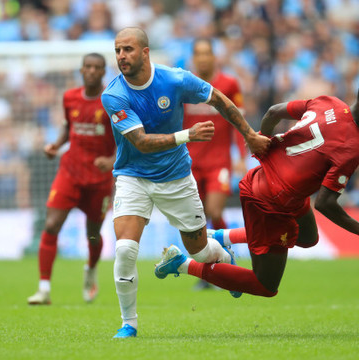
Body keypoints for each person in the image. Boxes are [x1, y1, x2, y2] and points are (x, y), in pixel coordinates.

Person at [155, 73, 359, 300]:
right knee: (265, 285)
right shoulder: (352, 147)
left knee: (307, 237)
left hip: (274, 183)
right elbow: (325, 203)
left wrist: (261, 140)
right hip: (270, 201)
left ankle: (220, 237)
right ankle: (181, 264)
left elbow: (272, 112)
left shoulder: (328, 102)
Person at [101, 27, 270, 339]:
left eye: (128, 50)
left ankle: (222, 254)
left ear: (145, 52)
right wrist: (187, 135)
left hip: (176, 177)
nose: (122, 56)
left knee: (201, 250)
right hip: (132, 176)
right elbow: (140, 142)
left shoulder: (174, 79)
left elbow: (218, 97)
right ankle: (129, 324)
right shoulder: (114, 95)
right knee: (125, 248)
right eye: (118, 51)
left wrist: (248, 134)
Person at [27, 53, 116, 305]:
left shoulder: (111, 101)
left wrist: (111, 161)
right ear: (81, 70)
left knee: (92, 234)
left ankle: (90, 269)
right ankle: (44, 288)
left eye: (97, 68)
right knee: (52, 224)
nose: (91, 71)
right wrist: (56, 144)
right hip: (70, 172)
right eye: (87, 67)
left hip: (99, 178)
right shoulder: (70, 97)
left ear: (103, 72)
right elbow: (69, 126)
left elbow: (125, 137)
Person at [183, 38, 248, 291]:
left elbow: (237, 120)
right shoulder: (185, 83)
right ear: (193, 58)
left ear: (214, 57)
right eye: (198, 53)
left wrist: (241, 157)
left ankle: (228, 262)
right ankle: (208, 273)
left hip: (219, 161)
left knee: (214, 210)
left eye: (206, 53)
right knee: (197, 219)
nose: (202, 58)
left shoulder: (229, 84)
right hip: (189, 162)